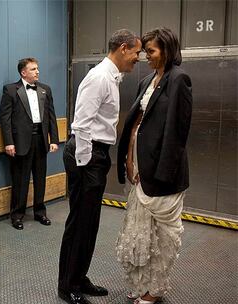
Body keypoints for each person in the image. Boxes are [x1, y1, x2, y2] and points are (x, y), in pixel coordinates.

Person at [58, 29, 142, 304]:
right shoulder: (99, 77)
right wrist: (84, 166)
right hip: (87, 155)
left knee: (90, 223)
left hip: (96, 154)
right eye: (136, 52)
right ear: (122, 48)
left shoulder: (111, 77)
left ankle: (79, 277)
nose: (137, 58)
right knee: (80, 222)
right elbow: (81, 125)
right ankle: (67, 285)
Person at [116, 28, 192, 304]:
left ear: (167, 50)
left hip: (162, 176)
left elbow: (176, 134)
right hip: (140, 168)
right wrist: (128, 157)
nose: (146, 56)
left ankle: (154, 290)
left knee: (163, 239)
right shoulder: (147, 80)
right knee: (141, 233)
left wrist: (161, 175)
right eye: (145, 51)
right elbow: (136, 123)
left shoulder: (179, 80)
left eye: (151, 51)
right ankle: (142, 284)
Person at [0, 58, 59, 230]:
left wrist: (53, 139)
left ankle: (40, 212)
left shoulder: (45, 90)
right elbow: (5, 119)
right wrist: (8, 142)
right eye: (33, 69)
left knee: (40, 178)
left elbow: (51, 116)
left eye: (37, 68)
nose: (37, 72)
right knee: (20, 180)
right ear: (23, 72)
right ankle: (17, 215)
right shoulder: (11, 90)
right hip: (20, 142)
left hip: (41, 140)